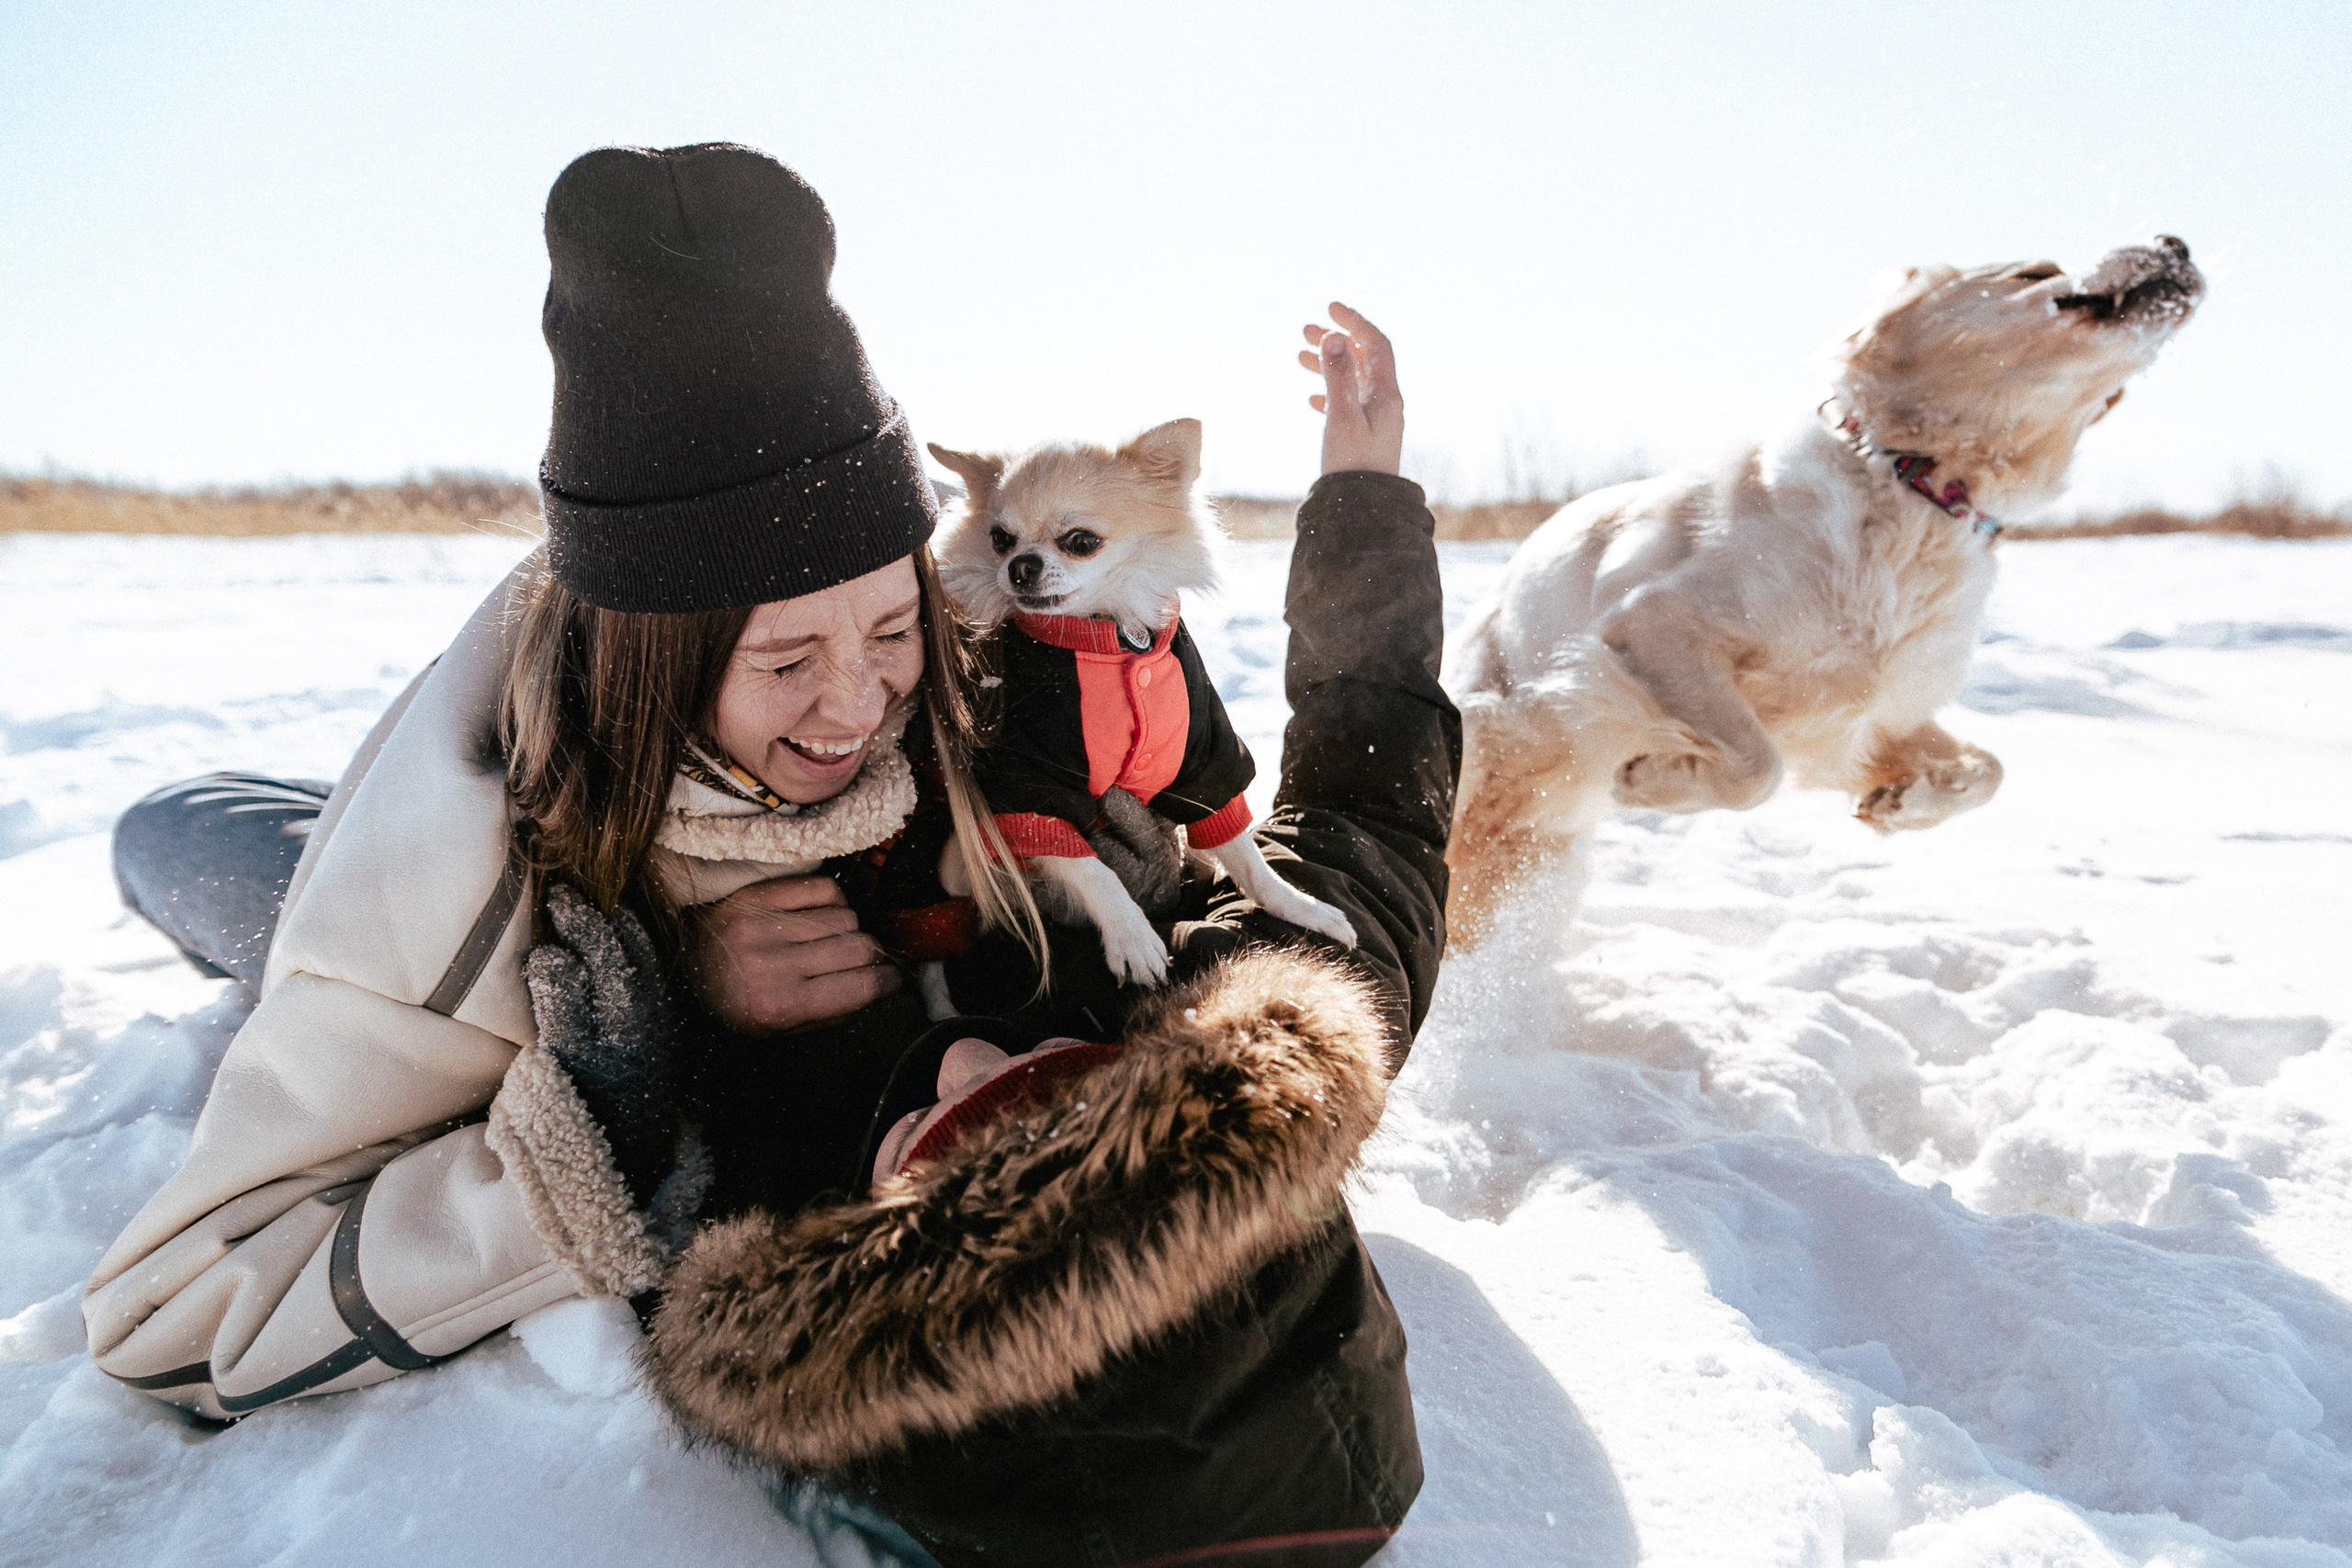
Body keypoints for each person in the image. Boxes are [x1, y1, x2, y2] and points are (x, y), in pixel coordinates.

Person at [85, 143, 1457, 1566]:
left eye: (956, 1145)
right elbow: (1370, 840)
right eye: (1065, 1081)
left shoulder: (455, 895)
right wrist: (1364, 500)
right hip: (573, 765)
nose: (859, 704)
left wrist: (618, 1095)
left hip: (521, 862)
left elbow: (170, 1312)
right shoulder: (1197, 1012)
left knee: (190, 840)